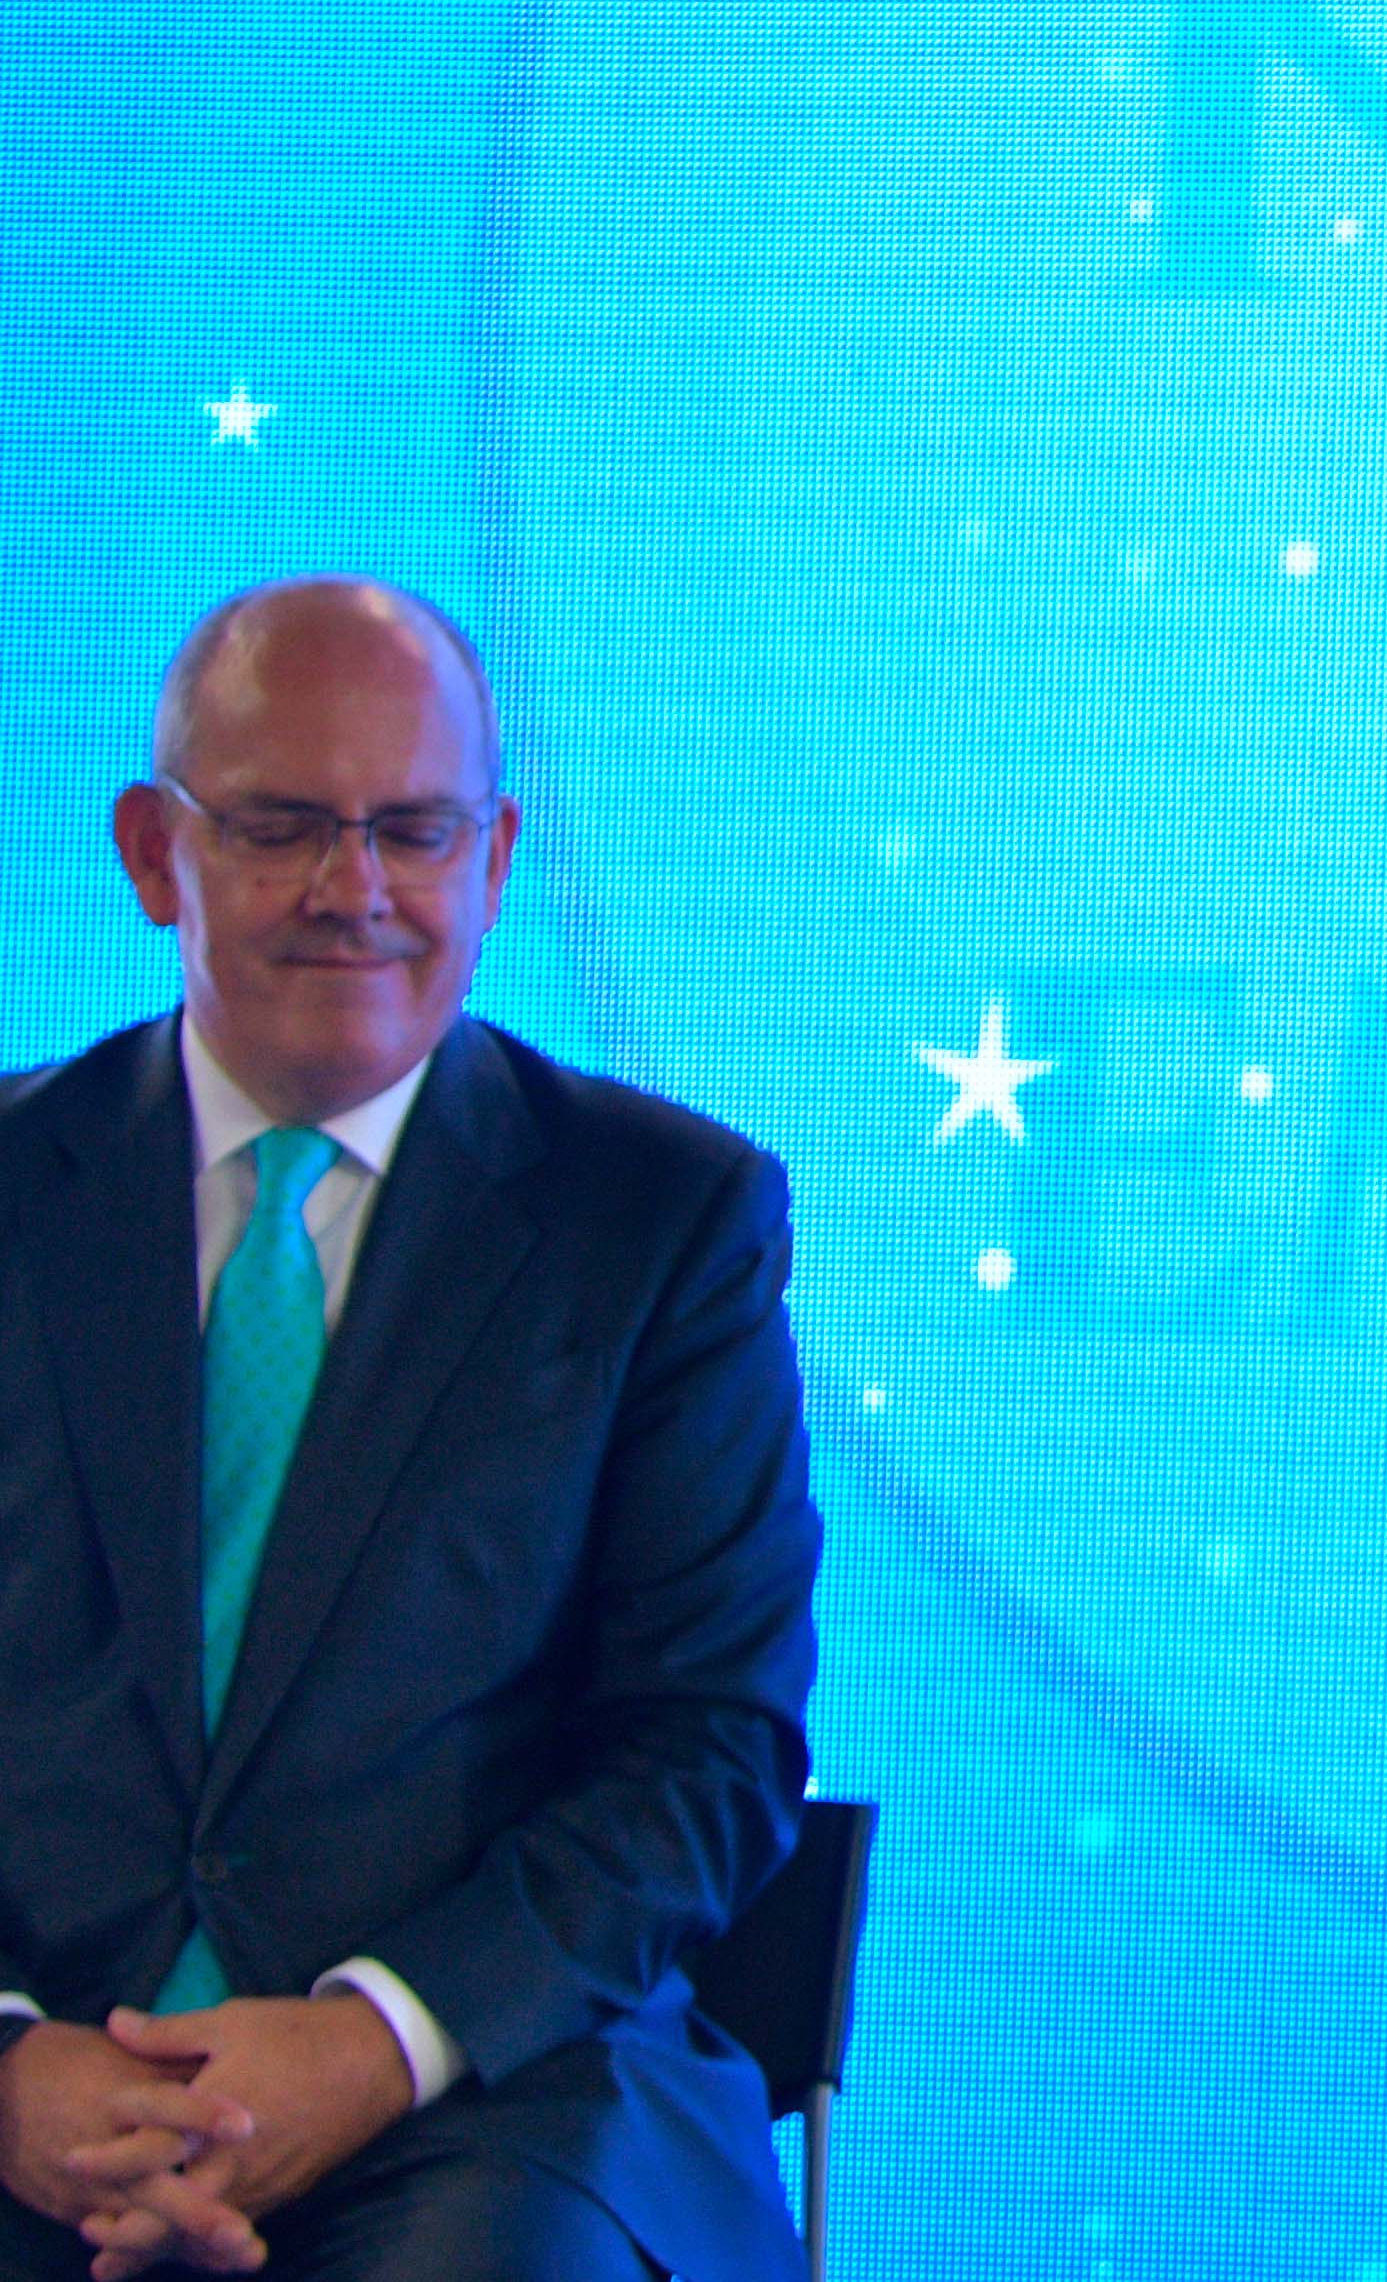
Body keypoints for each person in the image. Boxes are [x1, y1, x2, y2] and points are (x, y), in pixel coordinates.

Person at [0, 581, 817, 2282]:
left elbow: (708, 1750)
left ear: (495, 861)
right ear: (154, 854)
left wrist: (375, 2041)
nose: (352, 888)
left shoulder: (662, 1222)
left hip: (486, 2097)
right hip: (39, 2065)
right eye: (282, 826)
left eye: (414, 832)